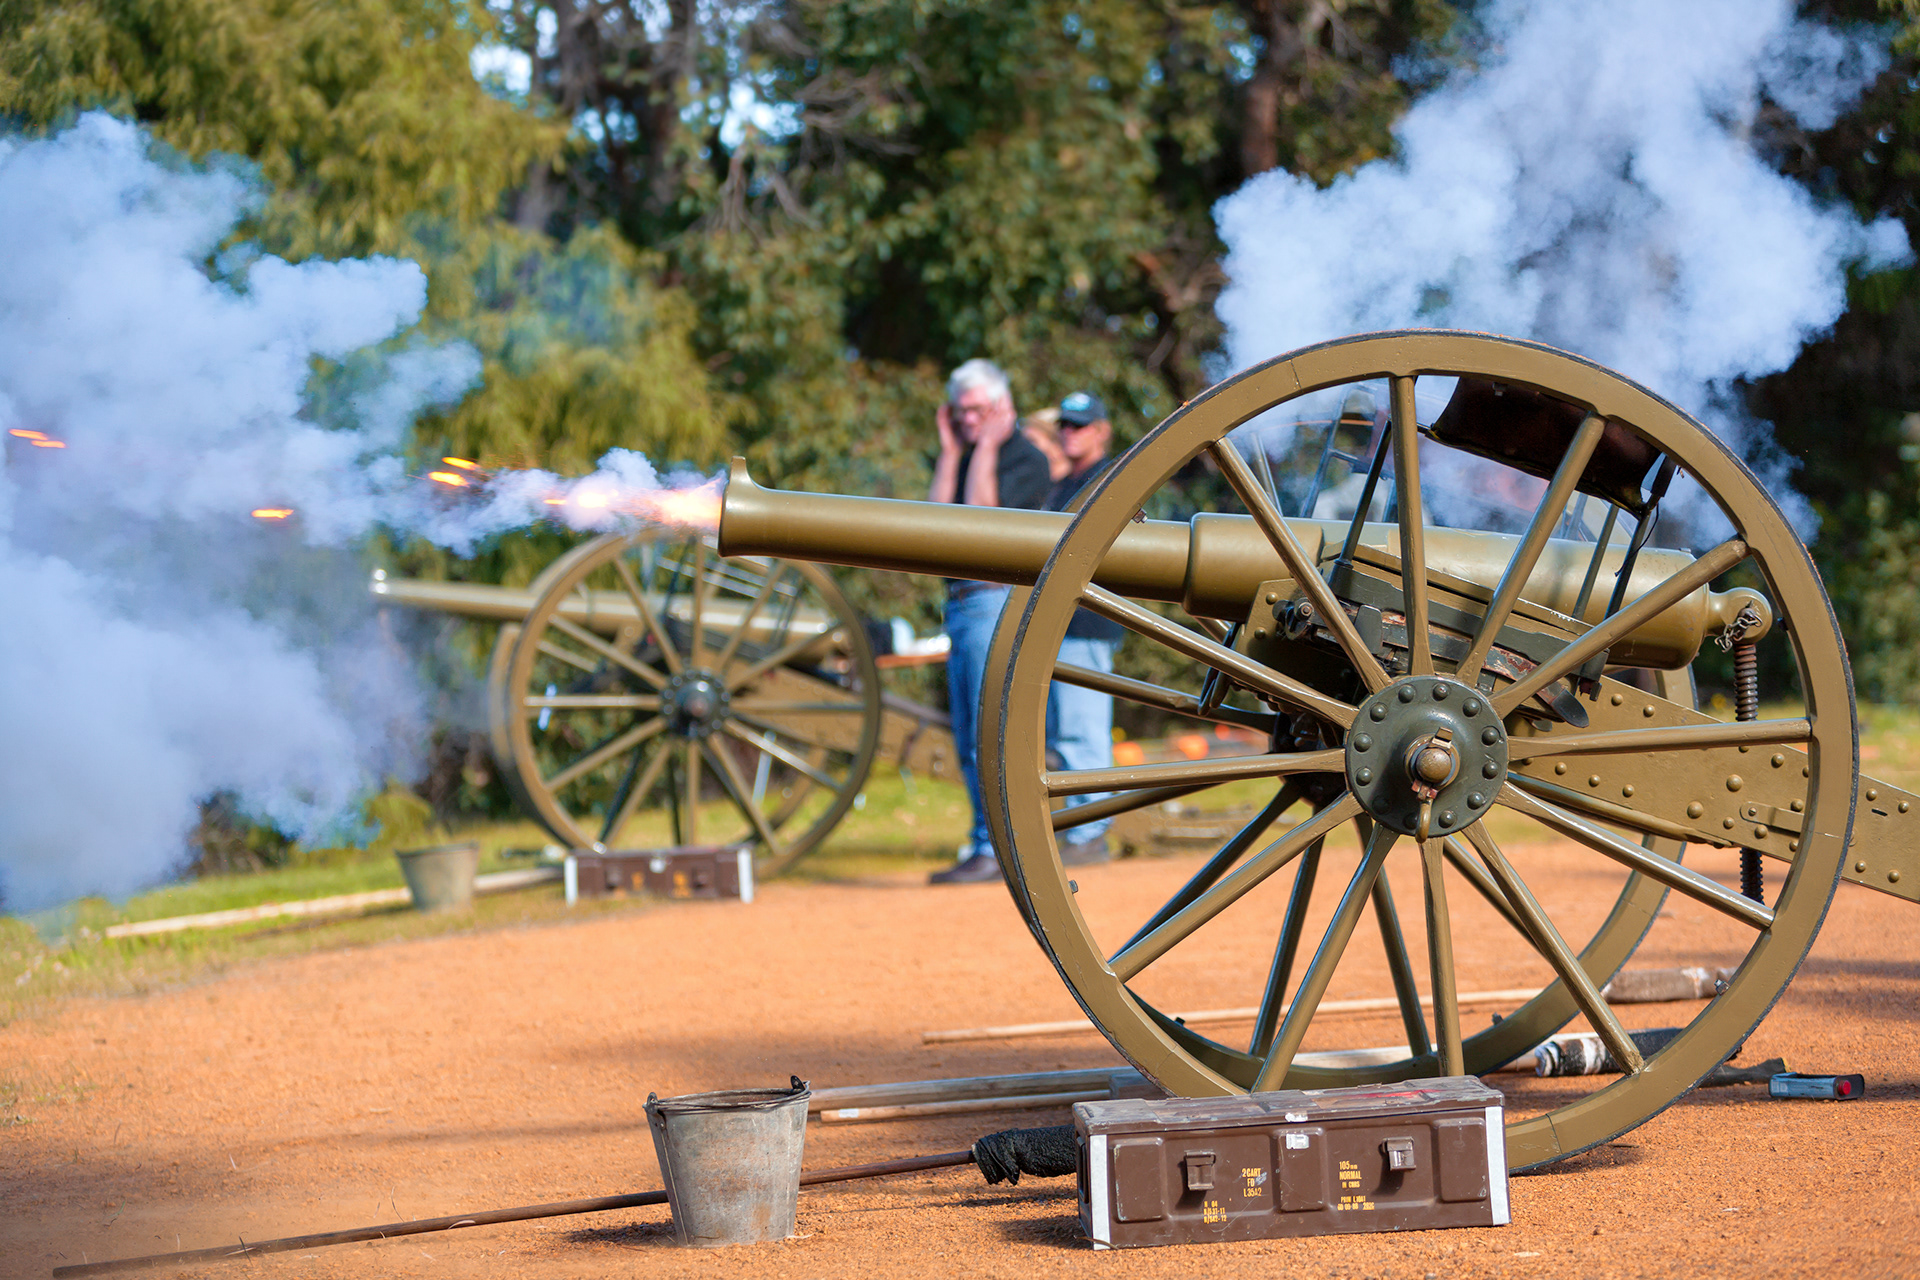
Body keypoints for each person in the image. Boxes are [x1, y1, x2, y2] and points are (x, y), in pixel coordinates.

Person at [927, 360, 1053, 885]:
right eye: (962, 414)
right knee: (965, 735)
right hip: (960, 602)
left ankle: (997, 849)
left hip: (997, 601)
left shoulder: (1026, 458)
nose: (970, 420)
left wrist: (982, 448)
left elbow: (986, 521)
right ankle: (984, 842)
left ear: (1004, 409)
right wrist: (953, 450)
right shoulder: (958, 454)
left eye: (980, 411)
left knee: (989, 733)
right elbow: (929, 525)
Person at [1043, 391, 1125, 865]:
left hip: (1088, 622)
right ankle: (1080, 828)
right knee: (1063, 733)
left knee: (1082, 730)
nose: (1069, 433)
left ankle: (1091, 830)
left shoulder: (1108, 476)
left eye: (1079, 425)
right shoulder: (1066, 481)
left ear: (1101, 431)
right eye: (1065, 425)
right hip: (1062, 623)